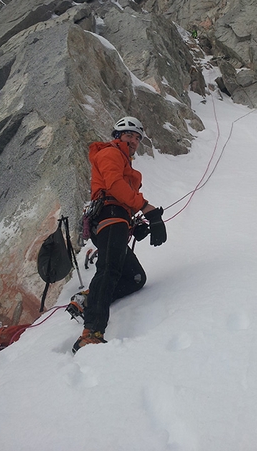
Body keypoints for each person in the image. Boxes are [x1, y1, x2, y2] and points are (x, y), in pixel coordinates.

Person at [72, 116, 167, 353]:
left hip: (116, 220)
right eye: (129, 135)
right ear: (117, 136)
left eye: (137, 137)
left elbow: (120, 194)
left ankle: (88, 299)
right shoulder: (110, 153)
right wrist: (145, 208)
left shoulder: (123, 160)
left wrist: (134, 226)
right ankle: (91, 333)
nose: (134, 141)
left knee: (135, 278)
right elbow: (114, 185)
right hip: (109, 217)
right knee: (109, 270)